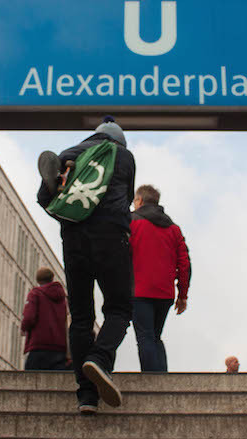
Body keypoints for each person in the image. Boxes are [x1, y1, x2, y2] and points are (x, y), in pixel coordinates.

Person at [37, 117, 135, 414]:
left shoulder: (68, 153)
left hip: (74, 240)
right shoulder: (124, 157)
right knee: (119, 309)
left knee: (80, 318)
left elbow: (44, 197)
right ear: (119, 141)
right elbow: (126, 198)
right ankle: (100, 358)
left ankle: (86, 396)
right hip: (111, 238)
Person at [129, 184, 191, 372]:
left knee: (145, 337)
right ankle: (162, 378)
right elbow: (185, 264)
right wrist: (183, 295)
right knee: (155, 336)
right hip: (165, 293)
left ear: (139, 201)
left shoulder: (131, 222)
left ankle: (152, 383)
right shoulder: (174, 229)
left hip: (139, 290)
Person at [21, 267, 70, 371]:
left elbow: (29, 317)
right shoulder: (62, 298)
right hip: (59, 348)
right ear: (52, 278)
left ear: (38, 280)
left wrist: (24, 328)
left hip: (39, 346)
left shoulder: (35, 294)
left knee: (29, 380)